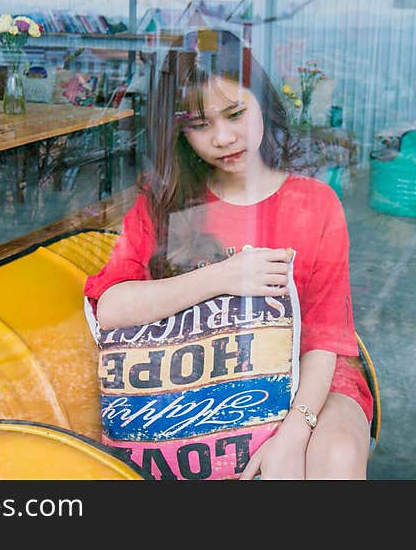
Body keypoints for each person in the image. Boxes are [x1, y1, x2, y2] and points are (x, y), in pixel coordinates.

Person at [84, 30, 372, 480]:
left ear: (262, 104)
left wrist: (293, 434)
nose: (222, 137)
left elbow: (324, 337)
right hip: (198, 379)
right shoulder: (165, 204)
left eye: (236, 113)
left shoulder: (314, 203)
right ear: (178, 132)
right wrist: (221, 277)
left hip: (311, 379)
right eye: (199, 125)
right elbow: (110, 308)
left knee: (332, 458)